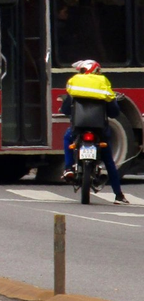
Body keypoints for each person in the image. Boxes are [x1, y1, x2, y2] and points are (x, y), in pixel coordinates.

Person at [60, 59, 127, 203]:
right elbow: (114, 112)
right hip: (100, 131)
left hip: (78, 129)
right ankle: (118, 195)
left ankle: (68, 168)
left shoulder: (75, 82)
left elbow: (65, 110)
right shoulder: (103, 83)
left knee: (67, 138)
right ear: (96, 70)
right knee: (109, 161)